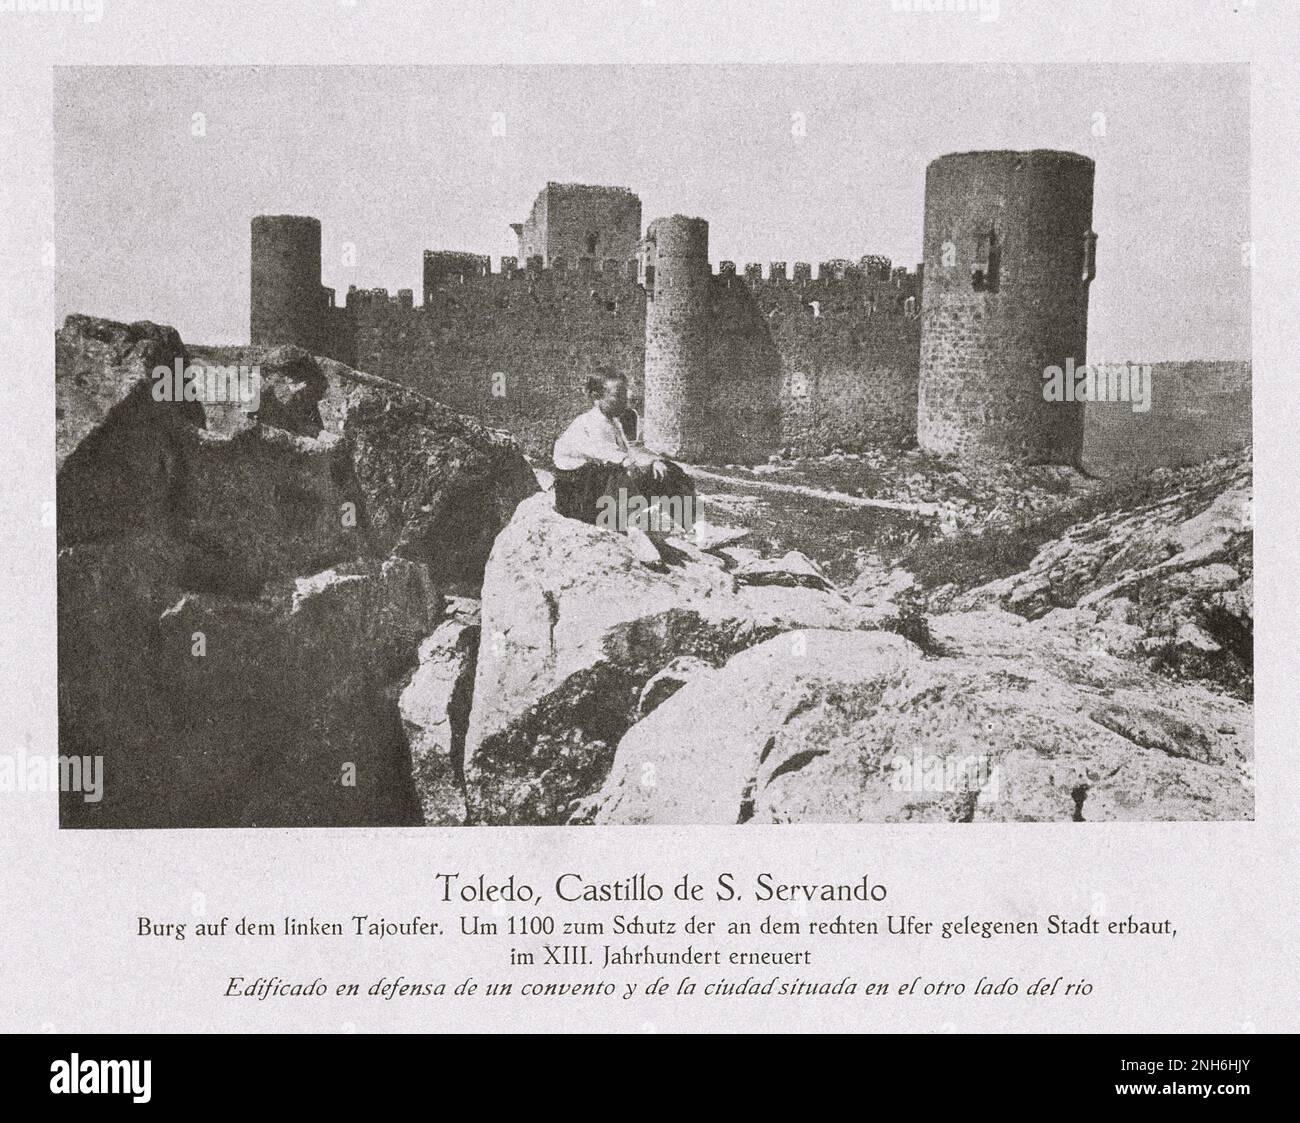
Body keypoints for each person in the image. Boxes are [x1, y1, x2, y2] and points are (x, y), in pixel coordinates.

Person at [552, 372, 695, 540]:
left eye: (625, 393)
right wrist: (634, 463)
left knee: (669, 470)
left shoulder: (613, 422)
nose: (625, 399)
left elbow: (629, 453)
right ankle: (635, 531)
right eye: (617, 395)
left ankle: (692, 526)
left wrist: (655, 461)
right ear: (596, 396)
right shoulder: (587, 423)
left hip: (603, 488)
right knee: (618, 473)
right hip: (579, 495)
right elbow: (606, 454)